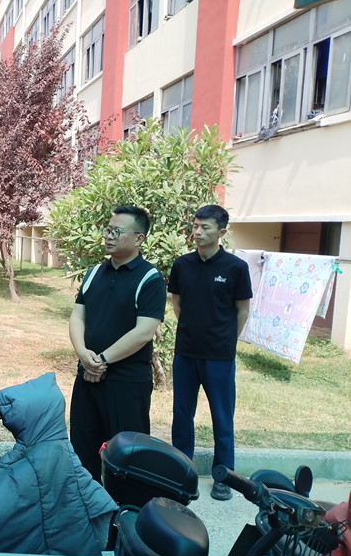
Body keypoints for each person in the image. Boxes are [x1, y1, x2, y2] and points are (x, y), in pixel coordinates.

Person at [68, 205, 167, 482]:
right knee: (83, 451)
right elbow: (77, 316)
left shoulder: (149, 278)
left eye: (117, 232)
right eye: (107, 230)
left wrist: (101, 360)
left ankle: (126, 508)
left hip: (127, 383)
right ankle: (88, 504)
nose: (109, 236)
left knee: (128, 458)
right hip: (87, 378)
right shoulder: (93, 274)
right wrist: (83, 354)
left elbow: (144, 332)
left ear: (138, 239)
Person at [169, 204, 253, 501]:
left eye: (205, 227)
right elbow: (177, 303)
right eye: (195, 226)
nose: (198, 232)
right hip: (186, 353)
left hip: (219, 357)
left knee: (222, 417)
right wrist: (193, 331)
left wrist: (225, 340)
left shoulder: (235, 268)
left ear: (221, 232)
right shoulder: (182, 264)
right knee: (182, 415)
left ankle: (224, 476)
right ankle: (181, 472)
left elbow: (242, 310)